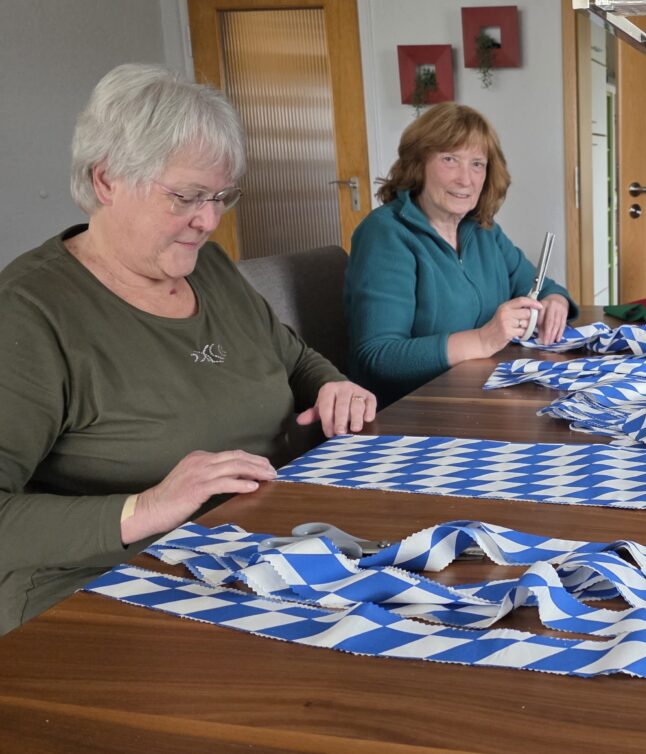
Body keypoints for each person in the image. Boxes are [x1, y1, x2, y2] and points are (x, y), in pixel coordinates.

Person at [0, 64, 377, 635]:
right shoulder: (29, 312)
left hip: (253, 549)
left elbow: (293, 357)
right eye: (186, 197)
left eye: (220, 196)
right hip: (103, 585)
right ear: (106, 181)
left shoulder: (211, 270)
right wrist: (148, 506)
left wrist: (331, 385)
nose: (208, 221)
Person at [345, 103, 578, 405]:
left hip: (479, 395)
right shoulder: (385, 234)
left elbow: (540, 285)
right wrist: (483, 339)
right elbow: (378, 356)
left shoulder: (483, 230)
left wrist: (554, 302)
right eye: (450, 160)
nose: (465, 179)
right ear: (419, 164)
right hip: (412, 412)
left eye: (477, 164)